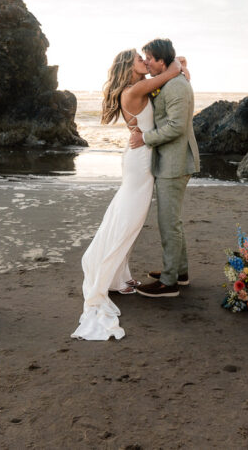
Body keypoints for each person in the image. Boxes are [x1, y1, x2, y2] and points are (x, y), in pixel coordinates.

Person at [71, 48, 189, 340]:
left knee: (127, 218)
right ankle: (110, 275)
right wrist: (175, 62)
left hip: (142, 157)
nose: (145, 62)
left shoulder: (137, 87)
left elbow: (172, 76)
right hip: (139, 162)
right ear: (129, 66)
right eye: (140, 58)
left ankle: (118, 277)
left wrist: (179, 66)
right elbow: (172, 71)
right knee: (129, 221)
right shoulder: (134, 89)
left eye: (145, 57)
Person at [129, 38, 200, 298]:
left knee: (168, 222)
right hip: (170, 160)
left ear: (161, 61)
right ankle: (179, 272)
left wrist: (144, 138)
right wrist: (179, 63)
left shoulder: (177, 86)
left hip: (175, 161)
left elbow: (177, 127)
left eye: (150, 59)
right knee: (172, 221)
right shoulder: (170, 79)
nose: (147, 63)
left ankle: (169, 282)